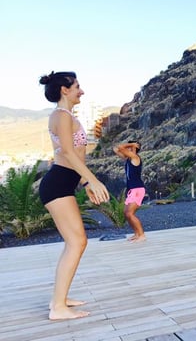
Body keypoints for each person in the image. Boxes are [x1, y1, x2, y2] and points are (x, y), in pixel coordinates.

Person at [38, 71, 110, 320]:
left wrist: (84, 181)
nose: (82, 91)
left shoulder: (66, 116)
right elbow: (67, 153)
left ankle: (59, 298)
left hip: (65, 182)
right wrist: (93, 179)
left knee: (75, 242)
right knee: (77, 242)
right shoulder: (60, 115)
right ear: (64, 90)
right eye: (78, 86)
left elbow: (72, 155)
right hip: (57, 184)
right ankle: (58, 307)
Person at [113, 141, 147, 242]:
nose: (128, 149)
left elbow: (120, 147)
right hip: (132, 190)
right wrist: (130, 145)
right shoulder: (128, 159)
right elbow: (116, 149)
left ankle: (141, 235)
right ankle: (137, 234)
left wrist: (131, 145)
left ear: (135, 148)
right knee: (126, 213)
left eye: (130, 147)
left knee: (129, 213)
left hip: (137, 189)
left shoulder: (135, 158)